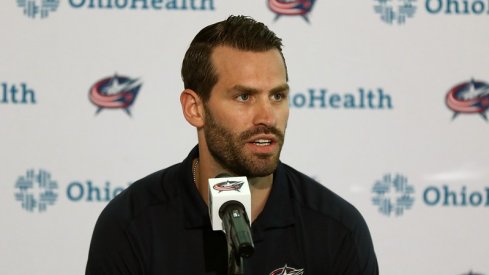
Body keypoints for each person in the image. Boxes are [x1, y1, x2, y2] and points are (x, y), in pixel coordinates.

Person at [86, 15, 379, 274]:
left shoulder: (337, 229)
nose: (267, 117)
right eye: (244, 97)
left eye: (277, 96)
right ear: (194, 108)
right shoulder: (131, 225)